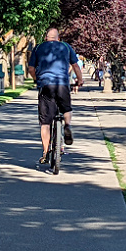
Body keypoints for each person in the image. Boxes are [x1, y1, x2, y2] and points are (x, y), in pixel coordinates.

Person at [27, 28, 83, 164]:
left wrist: (36, 79)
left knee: (45, 122)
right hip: (62, 84)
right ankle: (67, 126)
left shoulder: (38, 47)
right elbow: (75, 65)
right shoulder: (65, 46)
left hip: (45, 85)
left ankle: (45, 153)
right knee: (67, 109)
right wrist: (80, 80)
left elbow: (31, 68)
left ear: (46, 38)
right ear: (58, 38)